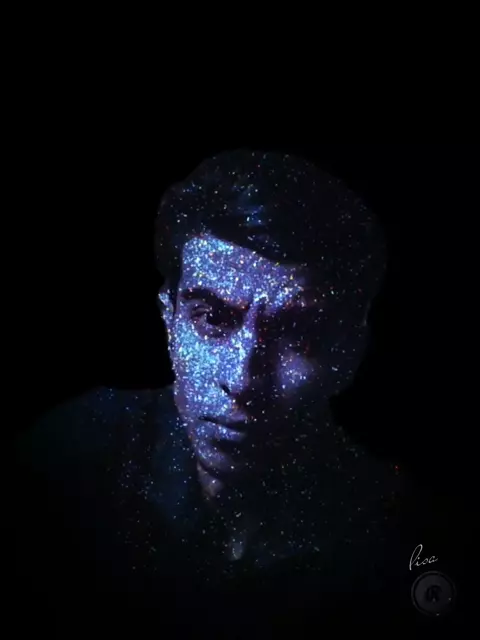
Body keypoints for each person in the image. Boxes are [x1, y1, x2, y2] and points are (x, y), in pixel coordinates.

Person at [14, 149, 414, 625]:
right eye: (211, 318)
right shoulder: (68, 457)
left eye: (298, 335)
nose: (242, 380)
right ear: (168, 320)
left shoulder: (399, 534)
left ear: (349, 351)